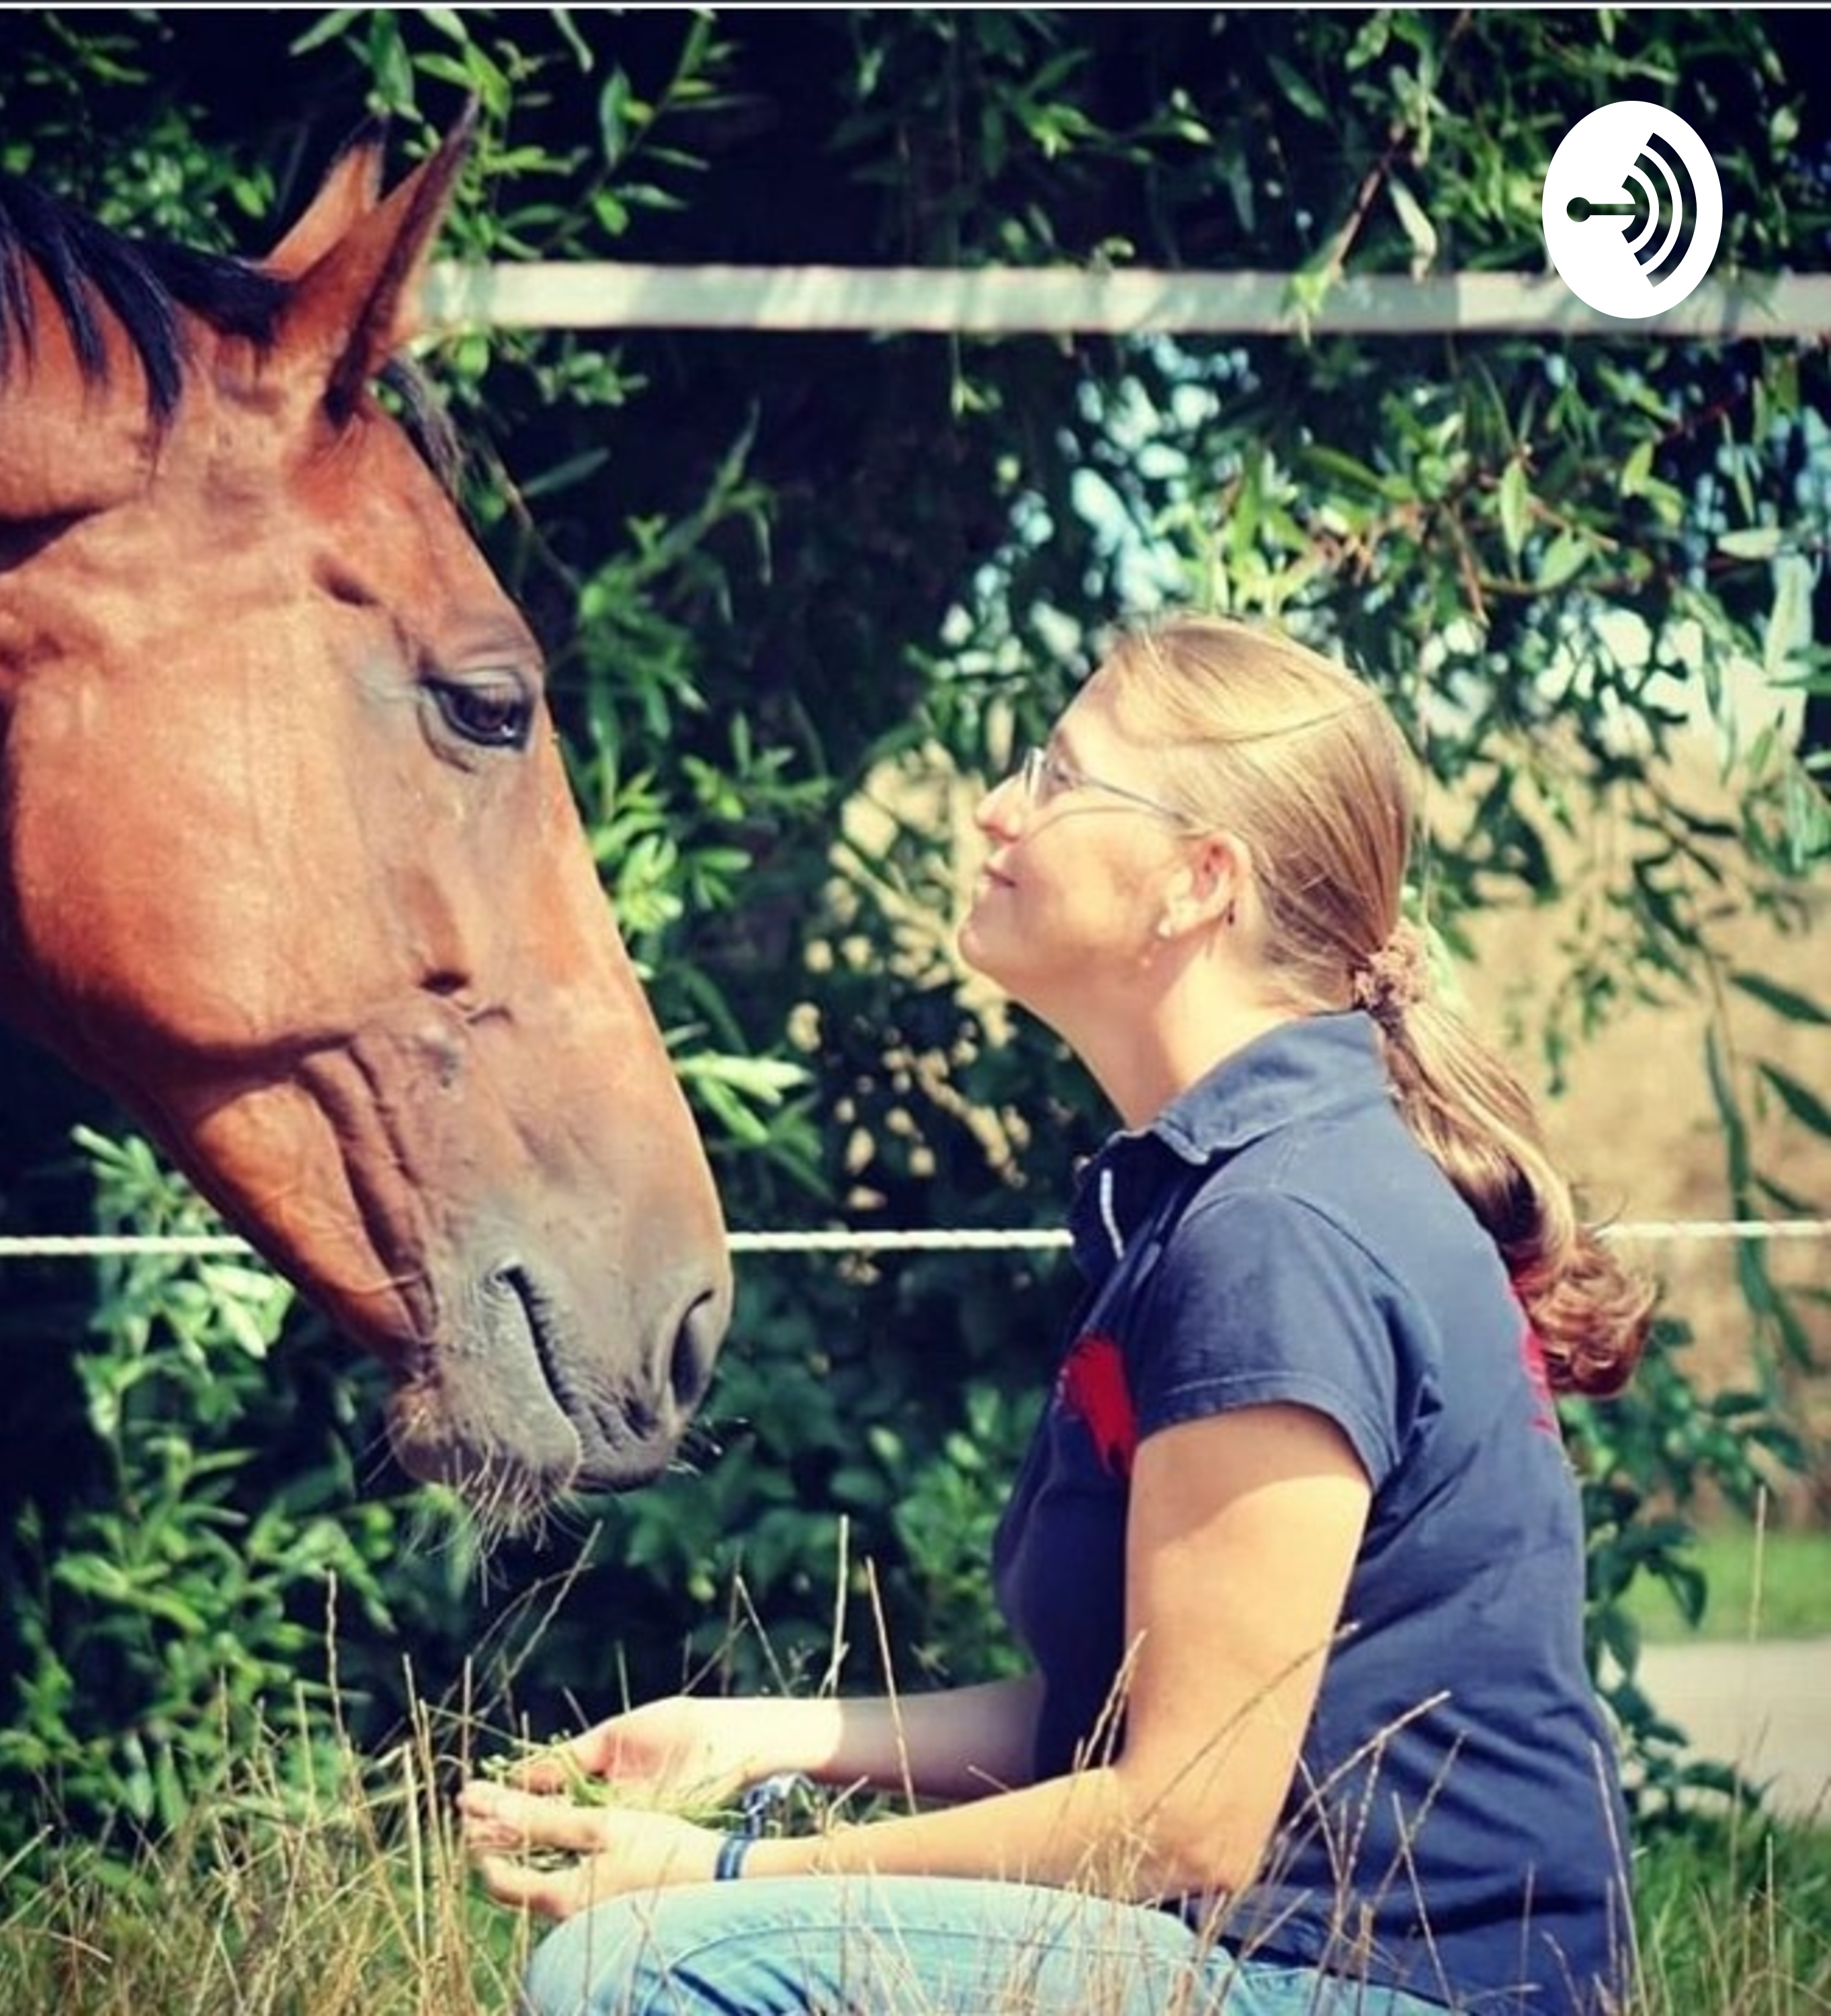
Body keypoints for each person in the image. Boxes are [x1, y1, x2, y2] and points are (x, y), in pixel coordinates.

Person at [460, 612, 1654, 2016]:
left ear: (1198, 884)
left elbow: (1182, 1819)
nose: (997, 807)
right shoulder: (1253, 1193)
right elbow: (1132, 1729)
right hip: (1287, 1961)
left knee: (633, 1971)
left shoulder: (1280, 1235)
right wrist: (749, 1738)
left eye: (1059, 773)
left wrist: (720, 1879)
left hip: (1390, 1988)